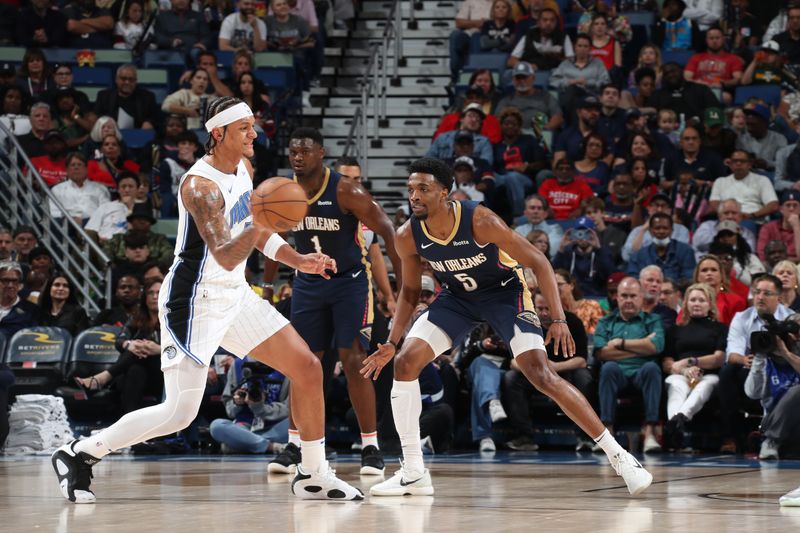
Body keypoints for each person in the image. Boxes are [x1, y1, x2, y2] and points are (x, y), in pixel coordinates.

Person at [51, 97, 364, 504]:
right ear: (218, 134)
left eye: (253, 126)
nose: (255, 134)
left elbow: (256, 230)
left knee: (306, 367)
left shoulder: (245, 169)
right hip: (193, 301)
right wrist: (263, 223)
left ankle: (313, 473)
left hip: (234, 293)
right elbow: (226, 251)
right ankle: (79, 453)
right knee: (178, 414)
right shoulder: (199, 186)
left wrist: (298, 259)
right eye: (244, 128)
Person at [362, 157, 652, 497]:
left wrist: (558, 318)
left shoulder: (480, 220)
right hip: (457, 298)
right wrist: (393, 341)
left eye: (424, 189)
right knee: (405, 363)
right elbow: (410, 291)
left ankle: (619, 456)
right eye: (411, 189)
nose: (414, 196)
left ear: (445, 193)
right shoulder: (407, 235)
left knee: (540, 373)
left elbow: (539, 262)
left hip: (505, 293)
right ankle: (413, 471)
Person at [269, 127, 401, 477]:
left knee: (355, 358)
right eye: (293, 150)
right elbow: (271, 237)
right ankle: (296, 445)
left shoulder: (345, 189)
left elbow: (387, 229)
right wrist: (267, 286)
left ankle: (370, 446)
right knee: (305, 364)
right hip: (308, 285)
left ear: (321, 154)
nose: (298, 156)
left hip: (350, 283)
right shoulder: (284, 193)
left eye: (305, 151)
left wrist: (402, 287)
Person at [503, 291, 593, 451]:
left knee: (583, 377)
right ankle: (524, 437)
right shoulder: (524, 322)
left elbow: (581, 360)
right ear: (533, 308)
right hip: (536, 374)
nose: (544, 313)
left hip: (566, 371)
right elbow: (513, 361)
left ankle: (585, 437)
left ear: (556, 307)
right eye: (540, 308)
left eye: (547, 308)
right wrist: (538, 370)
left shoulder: (572, 322)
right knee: (511, 378)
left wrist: (552, 368)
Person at [718, 274, 791, 454]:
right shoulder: (742, 317)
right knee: (727, 372)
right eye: (757, 292)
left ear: (778, 298)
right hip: (749, 367)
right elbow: (732, 353)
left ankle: (772, 435)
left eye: (767, 293)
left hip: (783, 368)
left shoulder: (791, 318)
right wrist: (744, 359)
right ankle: (732, 437)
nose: (760, 297)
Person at [594, 277, 665, 454]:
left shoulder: (653, 320)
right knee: (608, 367)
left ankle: (649, 434)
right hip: (616, 373)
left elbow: (656, 347)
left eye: (633, 296)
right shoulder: (605, 322)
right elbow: (601, 353)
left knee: (652, 368)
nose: (628, 300)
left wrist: (620, 343)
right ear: (616, 298)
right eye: (624, 296)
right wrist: (642, 346)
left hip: (643, 372)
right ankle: (607, 434)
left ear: (641, 297)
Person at [661, 283, 726, 450]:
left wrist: (692, 362)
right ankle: (677, 422)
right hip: (681, 374)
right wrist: (683, 370)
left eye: (702, 300)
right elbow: (667, 362)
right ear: (686, 304)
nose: (697, 303)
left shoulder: (719, 329)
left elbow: (718, 358)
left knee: (705, 385)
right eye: (693, 300)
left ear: (710, 304)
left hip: (708, 374)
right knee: (676, 385)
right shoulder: (675, 330)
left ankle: (676, 422)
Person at [745, 312, 800, 460]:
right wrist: (759, 358)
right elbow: (753, 393)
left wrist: (786, 354)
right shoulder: (765, 363)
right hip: (772, 423)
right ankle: (771, 440)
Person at [209, 357, 289, 454]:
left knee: (299, 423)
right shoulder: (237, 364)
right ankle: (270, 446)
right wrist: (237, 403)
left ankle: (244, 443)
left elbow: (289, 408)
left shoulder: (288, 365)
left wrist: (261, 408)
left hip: (276, 426)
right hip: (245, 425)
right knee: (216, 426)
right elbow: (230, 410)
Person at [552, 216, 614, 298]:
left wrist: (599, 249)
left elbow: (610, 275)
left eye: (586, 233)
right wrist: (561, 250)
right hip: (573, 297)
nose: (582, 237)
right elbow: (553, 273)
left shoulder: (602, 252)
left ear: (593, 233)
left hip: (598, 297)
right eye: (578, 233)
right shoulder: (567, 252)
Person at [708, 149, 778, 221]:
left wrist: (752, 215)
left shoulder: (762, 180)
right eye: (735, 161)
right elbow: (714, 204)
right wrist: (728, 215)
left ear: (749, 164)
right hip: (726, 219)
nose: (738, 164)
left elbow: (773, 205)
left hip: (752, 219)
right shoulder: (720, 181)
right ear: (730, 164)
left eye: (742, 161)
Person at [626, 213, 697, 282]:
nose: (661, 231)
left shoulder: (685, 251)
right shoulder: (639, 256)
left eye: (665, 228)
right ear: (650, 231)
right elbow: (634, 280)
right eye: (657, 228)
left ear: (671, 231)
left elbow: (689, 278)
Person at [48, 152, 111, 225]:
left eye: (79, 165)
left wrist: (86, 221)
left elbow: (106, 210)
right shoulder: (57, 190)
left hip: (95, 226)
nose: (76, 167)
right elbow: (55, 213)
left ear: (86, 169)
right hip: (67, 227)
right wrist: (72, 220)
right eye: (73, 165)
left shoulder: (100, 188)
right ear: (67, 170)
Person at [94, 65, 159, 130]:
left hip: (138, 135)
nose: (127, 82)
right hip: (111, 134)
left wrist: (149, 122)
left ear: (136, 81)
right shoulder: (104, 96)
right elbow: (98, 117)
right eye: (123, 79)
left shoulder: (147, 97)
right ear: (116, 79)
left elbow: (155, 118)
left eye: (131, 80)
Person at [693, 254, 746, 325]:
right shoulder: (690, 301)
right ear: (697, 277)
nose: (709, 273)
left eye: (714, 270)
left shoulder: (736, 302)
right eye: (704, 270)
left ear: (721, 275)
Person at [757, 190, 800, 263]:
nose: (791, 209)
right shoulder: (768, 228)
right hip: (772, 267)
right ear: (781, 209)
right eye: (788, 205)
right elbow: (762, 255)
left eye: (795, 205)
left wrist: (796, 227)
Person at [0, 261, 39, 337]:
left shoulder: (32, 311)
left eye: (15, 281)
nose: (10, 285)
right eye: (6, 280)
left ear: (20, 284)